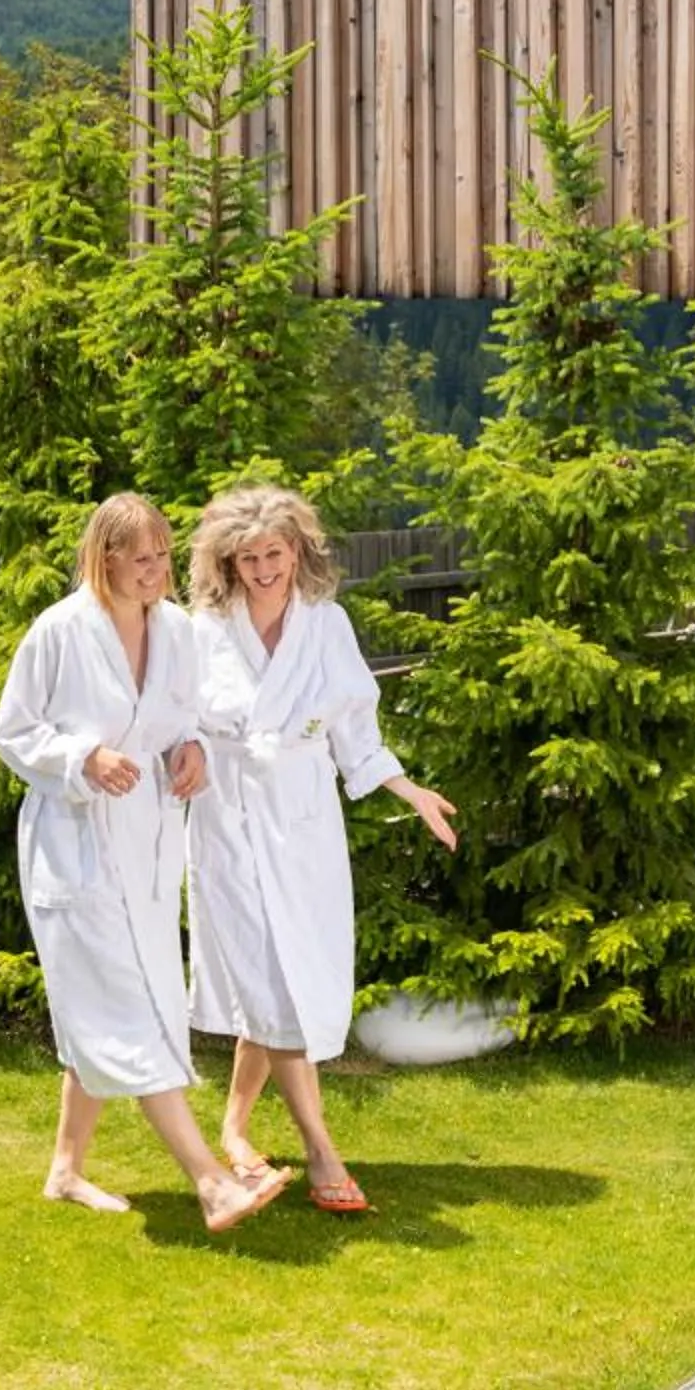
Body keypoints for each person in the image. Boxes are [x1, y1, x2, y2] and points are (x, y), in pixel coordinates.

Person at [0, 492, 293, 1231]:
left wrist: (188, 749)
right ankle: (212, 1183)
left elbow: (182, 718)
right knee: (124, 1010)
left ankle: (65, 1172)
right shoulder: (59, 634)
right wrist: (81, 757)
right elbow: (13, 730)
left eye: (163, 555)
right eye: (141, 557)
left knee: (123, 1003)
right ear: (106, 557)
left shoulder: (179, 632)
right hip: (76, 848)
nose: (156, 569)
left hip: (149, 847)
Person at [185, 483, 459, 1215]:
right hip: (228, 823)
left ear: (297, 551)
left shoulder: (327, 625)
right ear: (229, 562)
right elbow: (172, 720)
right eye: (249, 558)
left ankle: (236, 1132)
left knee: (283, 976)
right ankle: (319, 1150)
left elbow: (355, 735)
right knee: (272, 986)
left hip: (302, 824)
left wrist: (410, 792)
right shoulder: (203, 629)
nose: (264, 569)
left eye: (275, 553)